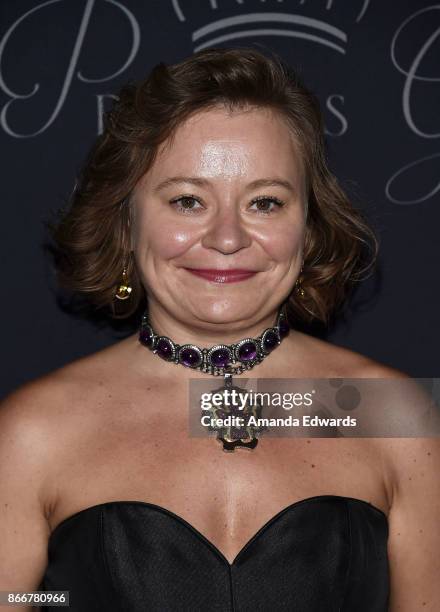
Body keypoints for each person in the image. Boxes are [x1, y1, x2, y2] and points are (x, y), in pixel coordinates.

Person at [0, 46, 438, 612]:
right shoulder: (33, 433)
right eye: (187, 200)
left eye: (264, 202)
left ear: (308, 225)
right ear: (125, 221)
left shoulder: (388, 414)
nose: (227, 238)